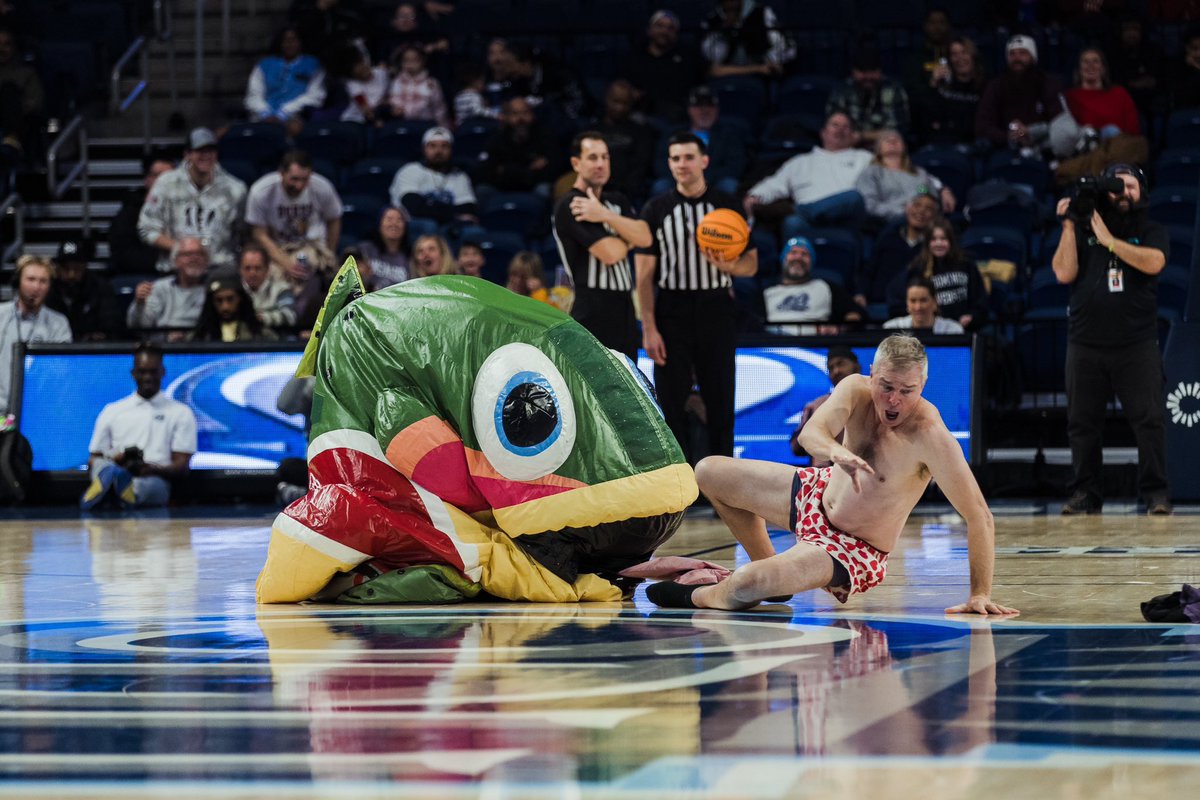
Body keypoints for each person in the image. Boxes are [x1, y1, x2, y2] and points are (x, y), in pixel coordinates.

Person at [646, 333, 1018, 616]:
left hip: (853, 547)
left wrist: (979, 593)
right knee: (708, 470)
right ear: (872, 375)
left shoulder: (930, 435)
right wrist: (837, 451)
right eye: (886, 387)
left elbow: (978, 515)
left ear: (921, 388)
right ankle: (770, 571)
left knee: (746, 584)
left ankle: (695, 596)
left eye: (907, 391)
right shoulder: (855, 389)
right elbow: (810, 434)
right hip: (817, 494)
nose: (893, 400)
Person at [1051, 163, 1172, 516]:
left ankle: (1156, 494)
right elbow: (1063, 272)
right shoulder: (1084, 226)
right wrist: (1072, 222)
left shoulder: (1150, 229)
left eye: (1131, 186)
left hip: (1136, 344)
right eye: (1117, 187)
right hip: (1085, 343)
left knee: (1149, 420)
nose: (1124, 193)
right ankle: (1086, 493)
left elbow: (1156, 262)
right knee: (1082, 424)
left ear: (1143, 192)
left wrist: (1110, 243)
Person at [636, 131, 758, 465]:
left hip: (715, 306)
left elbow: (752, 264)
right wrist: (649, 327)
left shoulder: (726, 205)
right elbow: (643, 276)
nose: (682, 164)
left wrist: (730, 263)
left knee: (720, 398)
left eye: (688, 157)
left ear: (704, 161)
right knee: (671, 401)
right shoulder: (656, 209)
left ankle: (724, 484)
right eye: (675, 158)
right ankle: (678, 484)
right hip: (671, 308)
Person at [552, 131, 651, 360]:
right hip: (592, 305)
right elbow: (610, 254)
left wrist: (604, 215)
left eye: (605, 157)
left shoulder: (617, 201)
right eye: (593, 157)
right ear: (576, 163)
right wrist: (628, 236)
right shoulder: (571, 204)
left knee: (629, 385)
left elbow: (646, 237)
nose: (601, 164)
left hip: (625, 306)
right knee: (595, 389)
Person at [79, 342, 196, 511]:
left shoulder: (181, 412)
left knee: (155, 488)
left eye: (153, 371)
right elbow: (93, 458)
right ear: (133, 374)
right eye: (142, 372)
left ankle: (113, 493)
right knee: (101, 466)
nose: (147, 377)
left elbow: (182, 467)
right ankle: (114, 485)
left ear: (162, 372)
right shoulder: (112, 410)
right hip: (116, 467)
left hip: (153, 477)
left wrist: (152, 469)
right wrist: (116, 460)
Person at [743, 111, 870, 241]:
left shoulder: (864, 158)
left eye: (845, 126)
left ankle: (796, 210)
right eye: (835, 125)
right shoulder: (800, 162)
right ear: (823, 132)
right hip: (808, 223)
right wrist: (755, 195)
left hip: (845, 220)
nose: (840, 130)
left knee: (853, 197)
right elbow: (774, 184)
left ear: (853, 135)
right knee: (792, 223)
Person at [138, 127, 248, 276]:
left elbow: (243, 234)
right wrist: (180, 248)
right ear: (187, 154)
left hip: (219, 270)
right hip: (175, 270)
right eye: (200, 151)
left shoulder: (235, 189)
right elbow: (146, 228)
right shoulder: (165, 184)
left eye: (211, 151)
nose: (206, 156)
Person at [245, 149, 344, 283]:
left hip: (311, 245)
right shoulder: (261, 191)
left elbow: (334, 219)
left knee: (309, 269)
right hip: (277, 247)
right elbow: (259, 234)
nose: (299, 185)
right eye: (294, 179)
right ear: (281, 173)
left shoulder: (322, 187)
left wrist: (329, 253)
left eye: (305, 179)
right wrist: (284, 262)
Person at [0, 255, 71, 416]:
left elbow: (61, 371)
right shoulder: (1, 315)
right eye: (31, 279)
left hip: (38, 412)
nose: (36, 286)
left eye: (43, 281)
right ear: (18, 281)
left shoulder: (58, 323)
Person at [886, 220, 987, 326]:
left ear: (951, 241)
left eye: (943, 239)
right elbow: (895, 296)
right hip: (929, 331)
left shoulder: (966, 264)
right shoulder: (918, 267)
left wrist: (972, 316)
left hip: (963, 330)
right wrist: (916, 317)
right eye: (934, 239)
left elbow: (980, 299)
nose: (939, 243)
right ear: (927, 243)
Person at [975, 34, 1063, 156]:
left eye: (1022, 53)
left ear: (1033, 57)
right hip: (1004, 148)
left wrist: (1031, 132)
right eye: (1012, 54)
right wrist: (1011, 136)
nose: (1017, 58)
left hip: (1043, 148)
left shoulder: (1048, 85)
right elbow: (982, 125)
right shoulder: (996, 86)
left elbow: (1060, 123)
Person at [616, 9, 707, 124]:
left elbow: (711, 71)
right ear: (649, 30)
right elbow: (620, 86)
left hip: (676, 116)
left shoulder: (688, 58)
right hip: (640, 115)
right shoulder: (634, 57)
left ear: (676, 34)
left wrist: (737, 69)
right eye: (660, 26)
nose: (664, 31)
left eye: (670, 28)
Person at [759, 236, 864, 335]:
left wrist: (839, 328)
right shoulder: (767, 292)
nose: (798, 257)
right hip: (774, 347)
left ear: (811, 262)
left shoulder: (825, 287)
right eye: (793, 252)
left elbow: (855, 313)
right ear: (783, 259)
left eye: (804, 254)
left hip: (815, 346)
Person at [855, 188, 938, 307]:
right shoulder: (888, 238)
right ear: (906, 209)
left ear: (934, 216)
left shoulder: (933, 247)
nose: (921, 211)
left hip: (915, 308)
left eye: (928, 208)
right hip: (879, 303)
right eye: (917, 205)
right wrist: (860, 293)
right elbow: (869, 271)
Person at [855, 129, 954, 225]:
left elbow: (927, 195)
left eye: (897, 139)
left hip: (925, 222)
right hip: (889, 224)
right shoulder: (871, 173)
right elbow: (869, 206)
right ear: (878, 148)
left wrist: (926, 204)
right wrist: (904, 212)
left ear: (904, 147)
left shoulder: (919, 173)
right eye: (886, 139)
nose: (892, 141)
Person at [244, 25, 326, 137]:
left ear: (300, 42)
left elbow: (316, 96)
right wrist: (266, 113)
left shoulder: (312, 64)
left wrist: (284, 113)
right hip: (263, 117)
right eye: (286, 41)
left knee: (294, 129)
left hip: (297, 117)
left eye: (293, 40)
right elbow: (253, 95)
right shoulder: (264, 65)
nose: (289, 44)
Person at [388, 126, 478, 224]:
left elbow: (468, 208)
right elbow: (413, 206)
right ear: (424, 149)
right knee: (430, 225)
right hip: (414, 225)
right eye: (432, 146)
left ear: (451, 150)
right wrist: (452, 213)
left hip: (450, 225)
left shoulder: (460, 176)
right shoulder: (410, 170)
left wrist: (429, 207)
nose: (438, 151)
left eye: (444, 146)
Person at [825, 43, 911, 146]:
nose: (868, 76)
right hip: (847, 148)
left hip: (884, 150)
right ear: (853, 71)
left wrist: (861, 136)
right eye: (862, 71)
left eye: (873, 71)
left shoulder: (893, 90)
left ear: (880, 71)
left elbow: (896, 131)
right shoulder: (842, 90)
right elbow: (833, 128)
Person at [788, 345, 861, 463]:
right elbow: (796, 446)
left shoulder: (875, 400)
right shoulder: (817, 405)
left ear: (857, 367)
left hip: (867, 473)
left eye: (841, 364)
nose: (836, 371)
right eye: (831, 368)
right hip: (826, 475)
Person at [126, 237, 211, 337]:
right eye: (187, 254)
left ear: (206, 261)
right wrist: (140, 304)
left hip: (201, 346)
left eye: (199, 254)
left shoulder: (212, 289)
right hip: (164, 345)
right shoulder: (159, 287)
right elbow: (141, 326)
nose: (194, 258)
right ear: (176, 261)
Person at [477, 96, 560, 195]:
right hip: (504, 187)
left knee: (544, 190)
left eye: (525, 113)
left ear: (532, 115)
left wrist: (506, 169)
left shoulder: (544, 135)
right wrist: (529, 169)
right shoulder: (498, 138)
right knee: (482, 190)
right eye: (515, 114)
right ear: (507, 117)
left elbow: (553, 168)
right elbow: (488, 170)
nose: (520, 119)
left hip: (534, 186)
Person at [588, 80, 655, 200]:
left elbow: (641, 166)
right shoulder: (592, 130)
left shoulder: (640, 131)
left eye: (625, 103)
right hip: (596, 188)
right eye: (616, 101)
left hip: (628, 192)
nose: (619, 108)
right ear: (607, 99)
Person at [914, 35, 987, 146]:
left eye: (964, 52)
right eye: (954, 54)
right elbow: (925, 120)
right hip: (944, 144)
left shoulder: (986, 85)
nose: (960, 58)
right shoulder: (942, 86)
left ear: (973, 55)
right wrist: (933, 83)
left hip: (975, 144)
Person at [109, 153, 175, 274]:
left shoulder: (187, 211)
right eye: (158, 176)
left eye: (170, 176)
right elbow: (124, 256)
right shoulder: (128, 214)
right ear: (147, 180)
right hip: (142, 276)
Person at [44, 238, 119, 341]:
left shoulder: (100, 288)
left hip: (92, 352)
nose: (71, 274)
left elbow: (111, 327)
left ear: (84, 267)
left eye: (76, 268)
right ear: (57, 269)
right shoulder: (47, 289)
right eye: (66, 268)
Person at [700, 0, 794, 81]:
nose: (731, 4)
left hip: (760, 79)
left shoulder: (762, 14)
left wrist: (772, 62)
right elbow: (714, 70)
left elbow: (785, 49)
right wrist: (725, 34)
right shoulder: (713, 21)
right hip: (724, 79)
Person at [191, 277, 277, 342]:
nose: (225, 307)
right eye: (219, 300)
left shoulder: (262, 335)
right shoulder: (199, 337)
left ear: (240, 299)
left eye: (230, 299)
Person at [238, 244, 296, 334]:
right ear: (240, 270)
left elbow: (290, 317)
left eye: (257, 268)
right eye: (247, 268)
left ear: (267, 269)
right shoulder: (235, 291)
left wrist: (261, 318)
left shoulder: (281, 289)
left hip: (273, 342)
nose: (252, 273)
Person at [387, 44, 450, 127]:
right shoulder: (397, 81)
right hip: (402, 125)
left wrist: (441, 128)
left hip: (425, 125)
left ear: (423, 61)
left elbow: (439, 109)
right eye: (406, 60)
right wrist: (394, 109)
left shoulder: (431, 83)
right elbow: (392, 101)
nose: (410, 64)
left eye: (415, 60)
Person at [883, 276, 965, 333]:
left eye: (923, 300)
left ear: (935, 302)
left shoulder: (952, 330)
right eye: (913, 301)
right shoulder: (891, 329)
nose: (918, 307)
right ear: (907, 303)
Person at [355, 205, 411, 288]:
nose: (394, 224)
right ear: (379, 224)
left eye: (399, 220)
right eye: (389, 219)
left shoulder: (410, 257)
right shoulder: (364, 249)